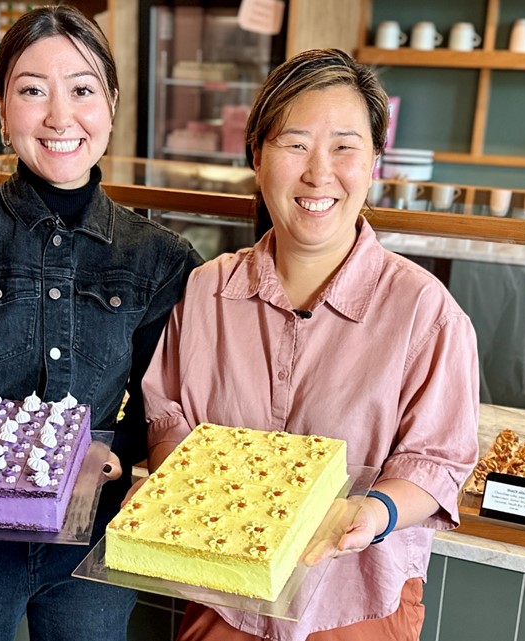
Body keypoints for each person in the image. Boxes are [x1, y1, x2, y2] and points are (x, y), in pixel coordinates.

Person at [0, 6, 202, 640]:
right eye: (31, 90)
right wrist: (13, 466)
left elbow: (158, 412)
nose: (58, 116)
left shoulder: (159, 260)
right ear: (1, 109)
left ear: (110, 106)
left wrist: (113, 452)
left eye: (81, 90)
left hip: (93, 545)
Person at [140, 49, 480, 641]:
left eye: (345, 146)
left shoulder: (424, 311)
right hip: (224, 596)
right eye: (295, 144)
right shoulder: (206, 291)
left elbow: (438, 461)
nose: (319, 173)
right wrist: (190, 493)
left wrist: (369, 513)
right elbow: (170, 418)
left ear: (375, 161)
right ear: (256, 155)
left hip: (356, 604)